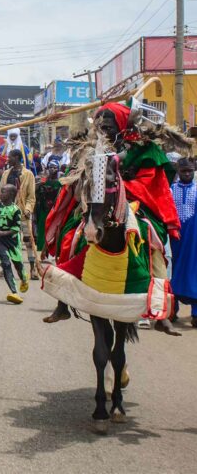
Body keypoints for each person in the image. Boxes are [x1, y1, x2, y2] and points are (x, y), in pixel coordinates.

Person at [43, 102, 183, 327]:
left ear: (120, 124)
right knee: (70, 233)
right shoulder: (89, 147)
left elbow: (152, 183)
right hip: (96, 202)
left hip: (136, 202)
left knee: (152, 239)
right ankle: (62, 302)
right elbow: (74, 176)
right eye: (100, 125)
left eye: (108, 125)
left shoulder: (143, 147)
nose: (103, 129)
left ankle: (159, 308)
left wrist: (124, 181)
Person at [0, 149, 38, 278]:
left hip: (23, 213)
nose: (8, 159)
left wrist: (28, 210)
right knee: (8, 241)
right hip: (7, 213)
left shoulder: (28, 174)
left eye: (10, 157)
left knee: (28, 241)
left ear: (16, 157)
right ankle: (6, 267)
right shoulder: (6, 173)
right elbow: (0, 192)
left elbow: (31, 197)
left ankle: (33, 269)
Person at [0, 184, 29, 304]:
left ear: (11, 195)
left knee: (17, 264)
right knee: (6, 264)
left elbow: (16, 229)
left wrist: (3, 232)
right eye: (1, 192)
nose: (0, 194)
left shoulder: (16, 210)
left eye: (3, 192)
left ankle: (23, 278)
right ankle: (14, 292)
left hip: (12, 240)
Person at [170, 157, 197, 326]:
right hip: (175, 240)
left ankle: (195, 313)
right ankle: (172, 311)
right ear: (178, 172)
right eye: (183, 171)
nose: (187, 174)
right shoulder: (171, 190)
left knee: (194, 272)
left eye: (190, 171)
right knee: (173, 272)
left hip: (194, 241)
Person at [35, 160, 62, 254]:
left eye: (54, 167)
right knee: (42, 228)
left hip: (55, 209)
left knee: (53, 229)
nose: (52, 169)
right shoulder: (43, 179)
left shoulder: (60, 182)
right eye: (50, 167)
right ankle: (42, 248)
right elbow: (36, 190)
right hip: (44, 208)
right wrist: (42, 182)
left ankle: (51, 249)